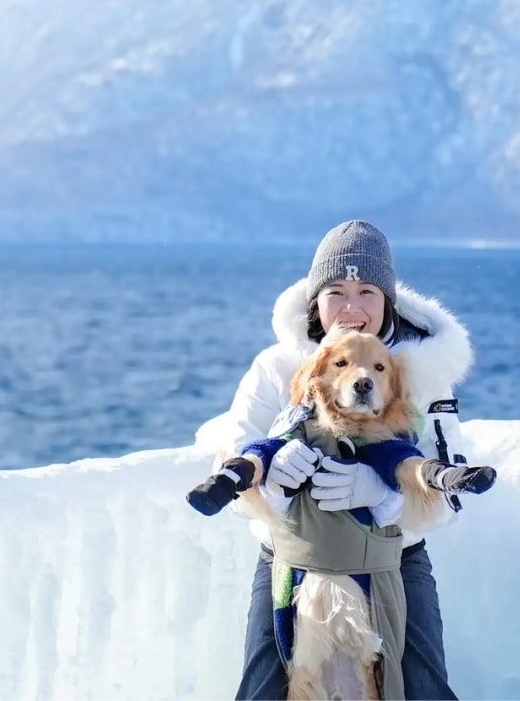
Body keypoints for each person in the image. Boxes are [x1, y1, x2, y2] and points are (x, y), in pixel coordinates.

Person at [197, 219, 476, 700]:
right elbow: (236, 455)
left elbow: (449, 494)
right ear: (314, 301)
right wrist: (271, 490)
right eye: (336, 292)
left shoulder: (425, 372)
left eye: (367, 290)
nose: (351, 307)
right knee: (262, 689)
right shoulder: (276, 366)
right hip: (291, 557)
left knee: (424, 688)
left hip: (394, 559)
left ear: (388, 299)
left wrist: (387, 497)